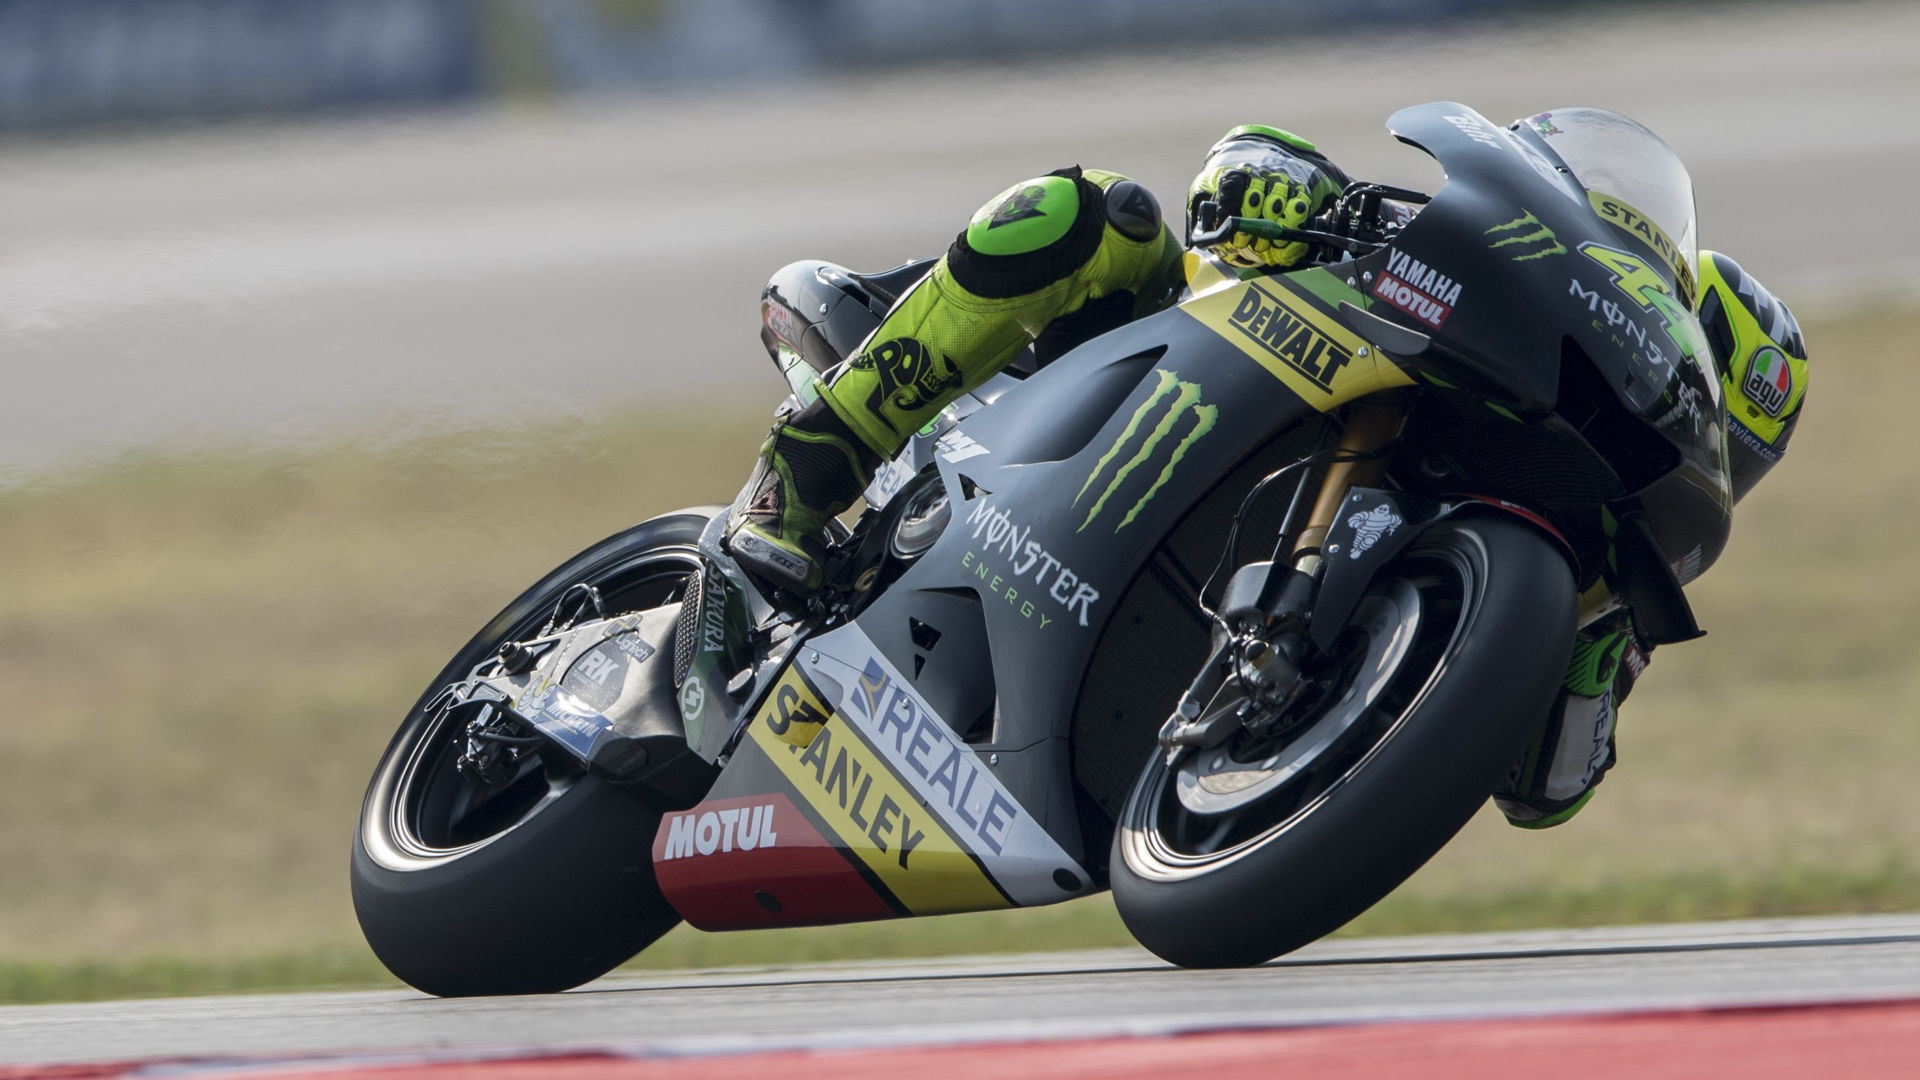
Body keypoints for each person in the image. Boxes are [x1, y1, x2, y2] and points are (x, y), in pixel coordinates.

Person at [722, 122, 1810, 829]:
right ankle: (804, 472)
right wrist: (1286, 196)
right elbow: (1238, 175)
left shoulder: (1568, 606)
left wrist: (1602, 631)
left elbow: (1543, 793)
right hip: (1103, 392)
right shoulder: (1446, 275)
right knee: (1104, 210)